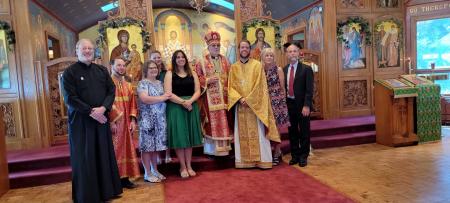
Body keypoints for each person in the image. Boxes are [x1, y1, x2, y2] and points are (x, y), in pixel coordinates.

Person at [62, 39, 122, 202]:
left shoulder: (102, 70)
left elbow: (111, 90)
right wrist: (90, 111)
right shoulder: (69, 73)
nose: (88, 51)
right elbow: (70, 98)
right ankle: (87, 195)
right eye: (84, 48)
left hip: (101, 119)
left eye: (90, 48)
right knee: (84, 157)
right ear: (77, 50)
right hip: (81, 122)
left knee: (103, 154)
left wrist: (104, 108)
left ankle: (107, 191)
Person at [228, 40, 280, 169]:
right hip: (240, 107)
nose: (244, 49)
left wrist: (249, 99)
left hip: (255, 107)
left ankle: (262, 161)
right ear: (238, 50)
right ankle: (244, 161)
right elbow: (230, 87)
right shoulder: (233, 67)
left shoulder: (257, 65)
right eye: (242, 47)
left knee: (259, 134)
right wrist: (240, 99)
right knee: (242, 135)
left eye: (246, 47)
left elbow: (260, 85)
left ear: (250, 50)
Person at [164, 50, 202, 178]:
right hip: (176, 107)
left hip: (191, 106)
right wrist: (183, 102)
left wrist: (190, 101)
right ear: (174, 60)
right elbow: (168, 93)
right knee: (180, 137)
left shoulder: (193, 73)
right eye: (178, 57)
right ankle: (182, 166)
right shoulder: (170, 74)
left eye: (182, 57)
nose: (180, 59)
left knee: (189, 137)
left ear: (186, 59)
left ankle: (189, 165)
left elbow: (198, 91)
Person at [194, 31, 232, 156]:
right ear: (208, 47)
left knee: (225, 123)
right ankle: (212, 151)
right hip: (210, 99)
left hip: (225, 98)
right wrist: (207, 80)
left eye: (217, 45)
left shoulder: (226, 60)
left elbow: (231, 77)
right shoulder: (201, 61)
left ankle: (225, 151)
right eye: (213, 45)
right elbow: (197, 78)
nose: (216, 47)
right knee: (212, 124)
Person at [108, 58, 140, 189]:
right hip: (115, 124)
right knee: (116, 151)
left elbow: (133, 103)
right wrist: (111, 121)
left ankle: (126, 178)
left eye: (123, 65)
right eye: (118, 65)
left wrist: (133, 120)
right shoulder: (107, 83)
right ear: (112, 66)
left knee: (127, 149)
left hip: (127, 123)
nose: (121, 68)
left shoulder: (128, 85)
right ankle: (115, 180)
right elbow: (106, 103)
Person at [137, 60, 171, 183]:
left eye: (155, 67)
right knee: (147, 147)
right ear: (146, 70)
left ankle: (155, 170)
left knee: (156, 146)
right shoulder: (143, 83)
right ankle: (147, 172)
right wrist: (162, 98)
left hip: (160, 118)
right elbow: (145, 99)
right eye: (150, 68)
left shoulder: (160, 83)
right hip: (147, 119)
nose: (153, 69)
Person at [284, 42, 314, 167]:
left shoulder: (306, 69)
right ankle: (295, 155)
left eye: (294, 51)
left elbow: (309, 89)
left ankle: (303, 156)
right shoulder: (284, 69)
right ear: (287, 54)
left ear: (299, 53)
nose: (292, 54)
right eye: (290, 51)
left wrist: (307, 105)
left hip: (302, 106)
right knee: (292, 131)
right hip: (289, 104)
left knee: (304, 132)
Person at [261, 48, 290, 166]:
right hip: (265, 102)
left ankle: (277, 152)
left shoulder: (278, 69)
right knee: (267, 128)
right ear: (263, 57)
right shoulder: (260, 70)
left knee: (276, 129)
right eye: (267, 55)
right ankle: (268, 152)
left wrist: (283, 104)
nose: (269, 57)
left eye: (271, 55)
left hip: (277, 102)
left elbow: (283, 88)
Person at [149, 50, 172, 164]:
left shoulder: (165, 73)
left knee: (165, 129)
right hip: (153, 105)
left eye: (159, 57)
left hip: (165, 104)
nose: (157, 60)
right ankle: (158, 155)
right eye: (154, 58)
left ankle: (167, 154)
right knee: (156, 130)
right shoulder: (148, 73)